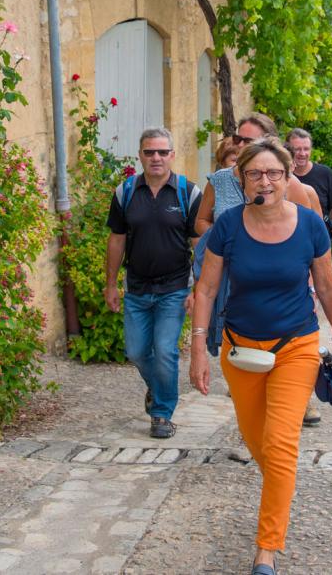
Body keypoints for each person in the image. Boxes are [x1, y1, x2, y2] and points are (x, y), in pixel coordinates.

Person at [190, 137, 332, 575]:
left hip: (296, 345)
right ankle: (281, 489)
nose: (266, 181)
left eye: (274, 173)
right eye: (255, 173)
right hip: (240, 348)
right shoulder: (227, 227)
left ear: (288, 176)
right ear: (241, 179)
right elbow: (205, 289)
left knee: (281, 444)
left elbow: (326, 287)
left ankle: (267, 549)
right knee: (257, 440)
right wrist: (198, 349)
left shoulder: (309, 225)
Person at [194, 113, 322, 428]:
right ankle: (251, 420)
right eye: (238, 139)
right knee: (241, 354)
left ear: (269, 141)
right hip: (231, 277)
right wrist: (224, 242)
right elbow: (201, 221)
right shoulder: (221, 179)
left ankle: (295, 400)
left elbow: (307, 242)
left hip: (283, 289)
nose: (240, 144)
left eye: (248, 140)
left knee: (284, 352)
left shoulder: (292, 186)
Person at [104, 127, 201, 439]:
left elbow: (200, 244)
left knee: (164, 350)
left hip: (174, 287)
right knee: (135, 351)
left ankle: (161, 413)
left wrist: (200, 287)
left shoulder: (189, 192)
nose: (156, 158)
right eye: (150, 152)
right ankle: (157, 386)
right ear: (140, 155)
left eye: (162, 152)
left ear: (172, 155)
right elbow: (116, 240)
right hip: (137, 288)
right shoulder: (126, 192)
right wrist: (110, 284)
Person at [286, 128, 332, 279]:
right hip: (288, 246)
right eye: (297, 149)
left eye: (306, 149)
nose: (302, 153)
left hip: (318, 248)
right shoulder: (280, 176)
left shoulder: (324, 174)